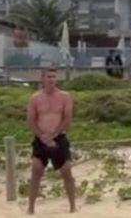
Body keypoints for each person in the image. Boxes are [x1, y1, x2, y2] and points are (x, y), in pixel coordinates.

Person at [26, 68, 76, 214]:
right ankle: (30, 208)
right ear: (42, 78)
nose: (52, 79)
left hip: (59, 138)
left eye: (54, 76)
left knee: (66, 171)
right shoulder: (35, 98)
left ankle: (72, 206)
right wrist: (42, 136)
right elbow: (31, 120)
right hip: (41, 138)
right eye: (49, 76)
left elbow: (67, 118)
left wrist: (54, 135)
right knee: (36, 170)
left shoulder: (65, 96)